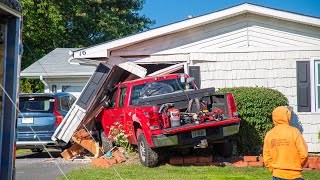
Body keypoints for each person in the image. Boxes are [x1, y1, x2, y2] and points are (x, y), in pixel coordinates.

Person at [263, 106, 308, 180]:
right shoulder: (294, 132)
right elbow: (304, 154)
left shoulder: (269, 134)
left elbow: (266, 157)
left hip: (277, 174)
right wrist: (298, 165)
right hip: (295, 174)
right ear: (288, 116)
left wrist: (274, 169)